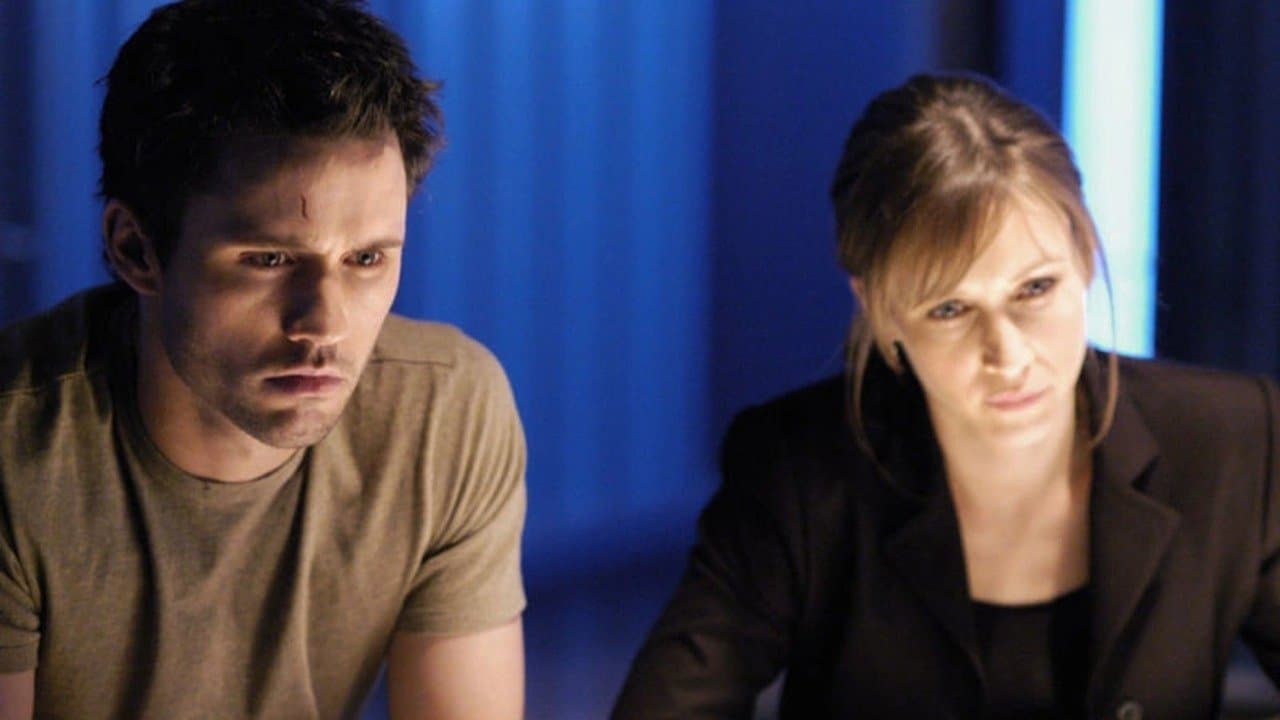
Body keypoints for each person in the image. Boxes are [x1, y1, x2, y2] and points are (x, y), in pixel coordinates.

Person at [613, 73, 1280, 719]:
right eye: (950, 309)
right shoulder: (797, 472)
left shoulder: (1231, 439)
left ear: (1084, 256)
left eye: (1036, 288)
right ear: (880, 312)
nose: (1008, 356)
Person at [0, 1, 526, 717]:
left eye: (367, 259)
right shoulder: (18, 448)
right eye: (270, 260)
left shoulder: (445, 413)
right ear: (135, 250)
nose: (325, 325)